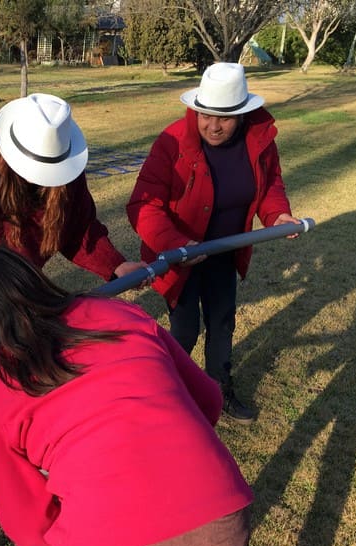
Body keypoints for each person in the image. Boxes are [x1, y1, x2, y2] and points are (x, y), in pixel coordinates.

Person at [0, 243, 254, 546]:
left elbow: (26, 524)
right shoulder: (118, 313)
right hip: (224, 539)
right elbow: (209, 401)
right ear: (35, 281)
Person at [0, 92, 145, 495]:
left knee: (27, 359)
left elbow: (78, 230)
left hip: (21, 275)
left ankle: (31, 441)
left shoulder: (67, 173)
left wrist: (116, 264)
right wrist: (12, 312)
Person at [127, 62, 302, 424]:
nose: (212, 125)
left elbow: (270, 188)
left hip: (224, 250)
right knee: (185, 329)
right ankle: (165, 398)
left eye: (224, 118)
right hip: (180, 256)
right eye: (205, 115)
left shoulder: (260, 143)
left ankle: (220, 389)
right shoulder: (172, 142)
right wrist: (177, 243)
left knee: (222, 322)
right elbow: (143, 206)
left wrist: (278, 216)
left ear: (242, 114)